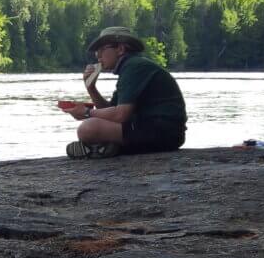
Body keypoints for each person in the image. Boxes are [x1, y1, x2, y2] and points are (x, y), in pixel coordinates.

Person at [61, 26, 186, 159]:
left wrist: (87, 113)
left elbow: (120, 115)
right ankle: (108, 148)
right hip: (157, 131)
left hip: (164, 132)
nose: (97, 55)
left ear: (120, 49)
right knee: (91, 126)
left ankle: (103, 148)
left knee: (87, 128)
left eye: (101, 49)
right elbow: (110, 110)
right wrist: (91, 88)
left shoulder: (134, 67)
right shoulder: (130, 68)